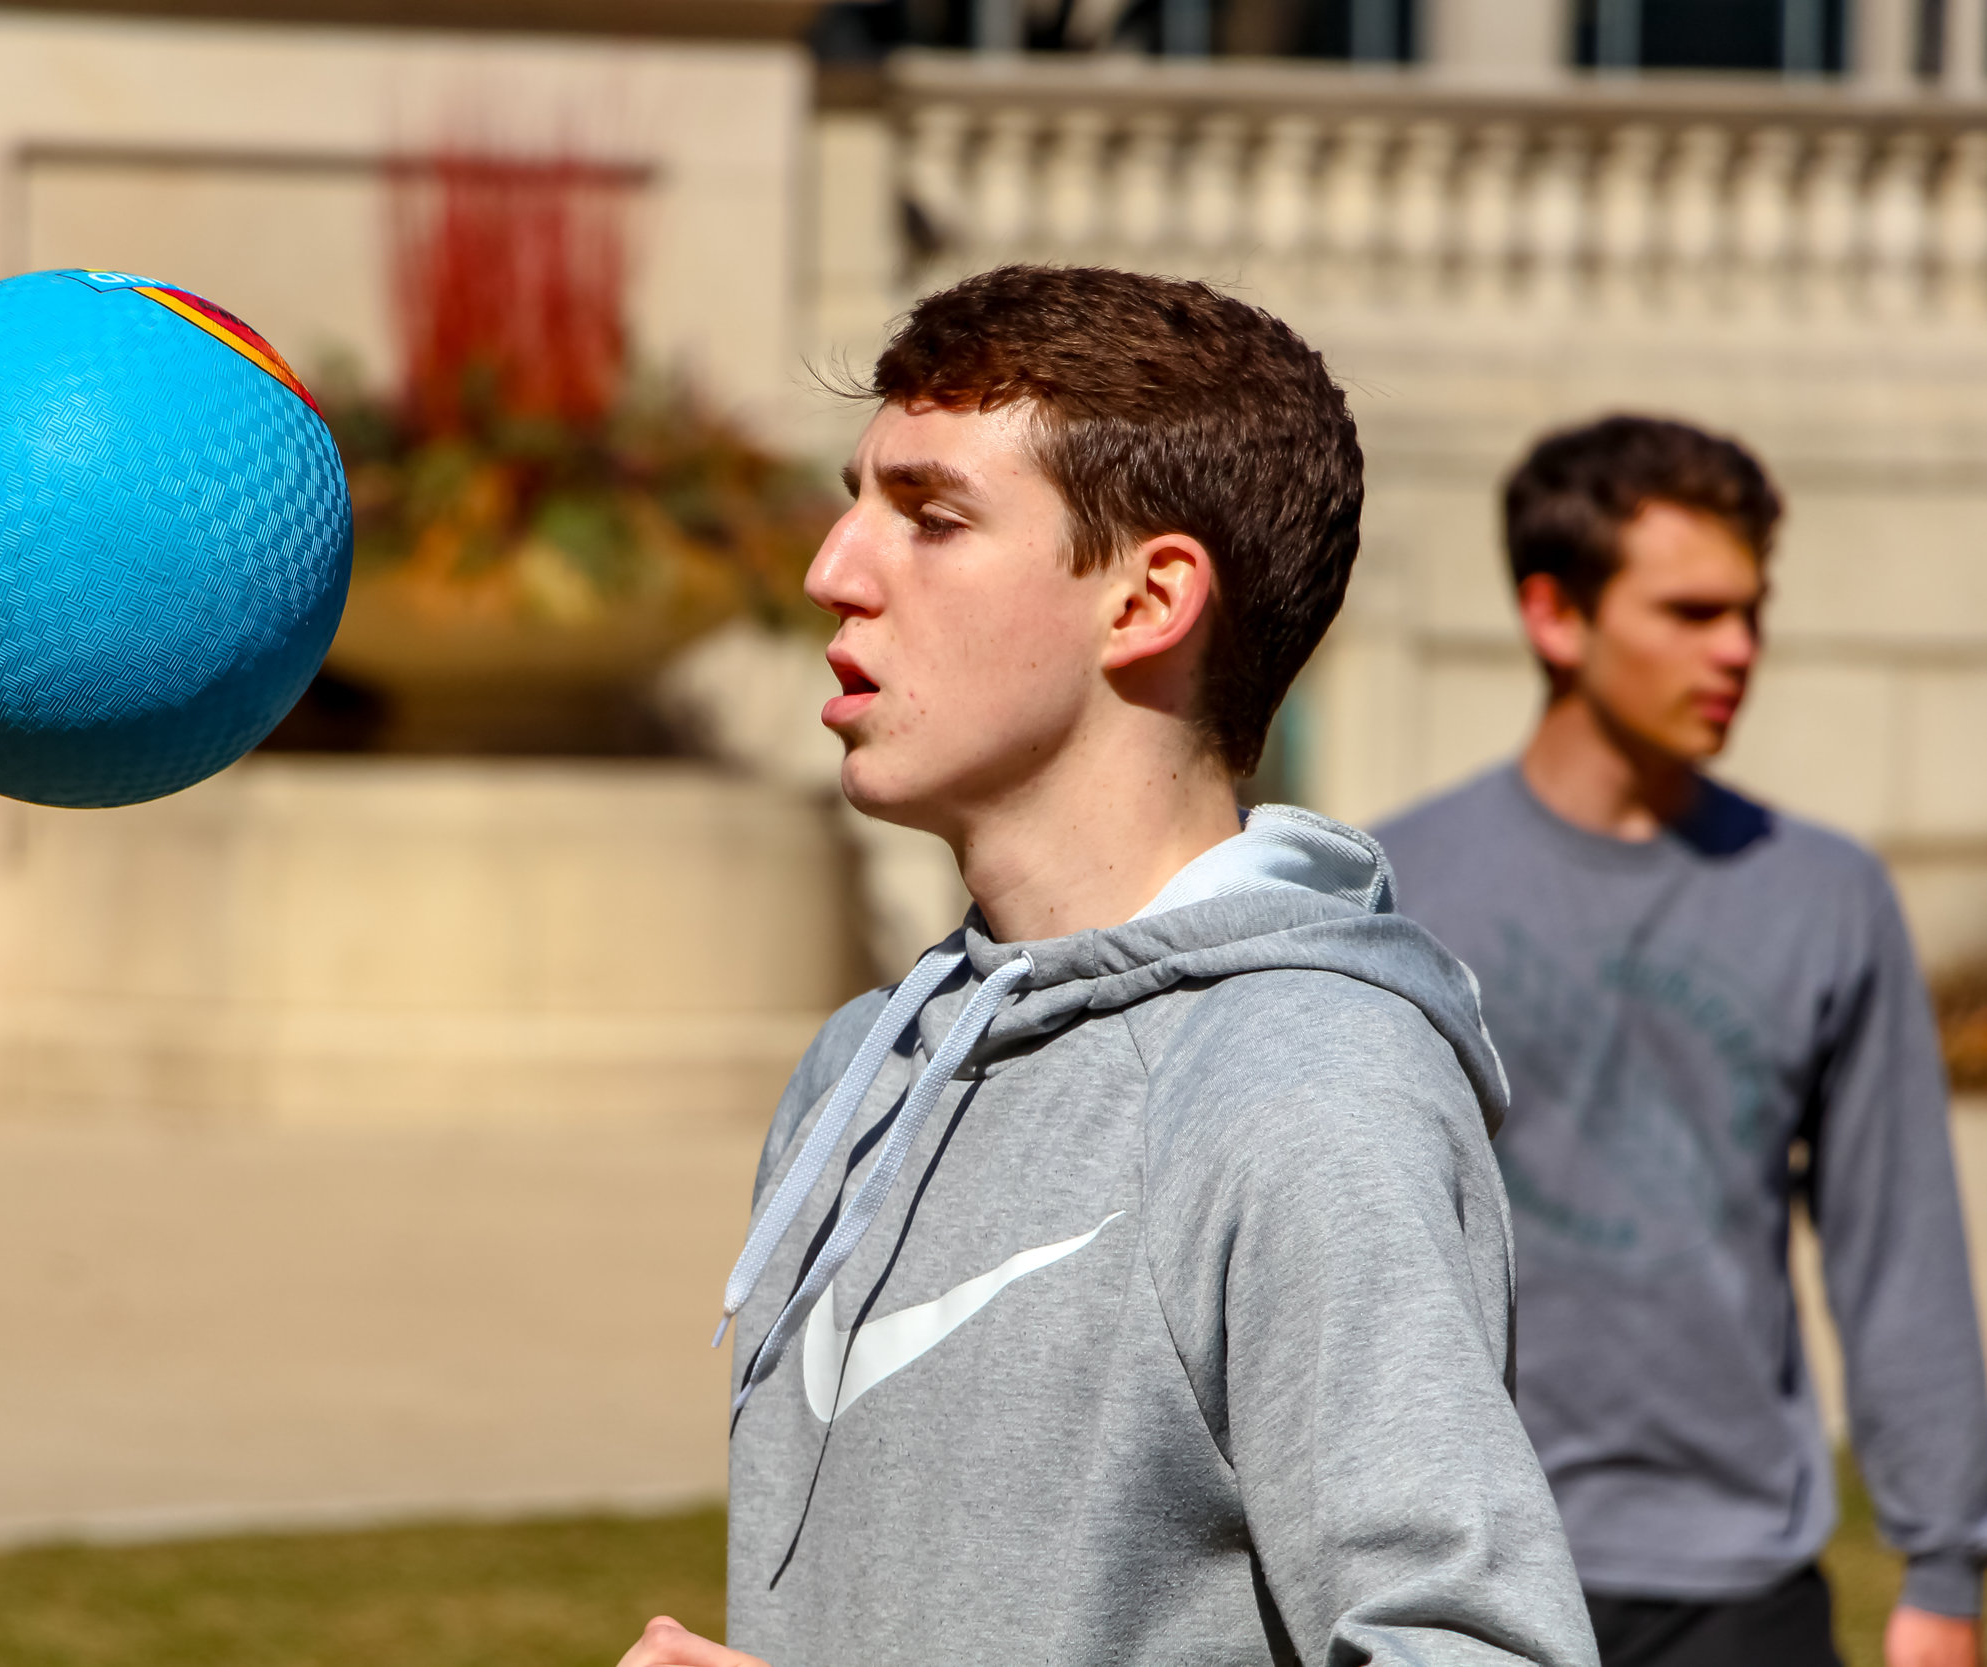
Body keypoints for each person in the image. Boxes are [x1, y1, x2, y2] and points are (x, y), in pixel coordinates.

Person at [617, 265, 1597, 1667]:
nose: (835, 566)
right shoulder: (863, 1065)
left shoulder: (1305, 1093)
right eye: (856, 499)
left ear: (1147, 600)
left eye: (932, 516)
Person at [1375, 416, 1987, 1667]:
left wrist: (1942, 1560)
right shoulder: (1396, 890)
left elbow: (1897, 1248)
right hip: (1460, 1565)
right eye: (1691, 612)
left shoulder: (1823, 896)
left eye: (1750, 612)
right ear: (1554, 615)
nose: (1738, 651)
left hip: (1739, 1581)